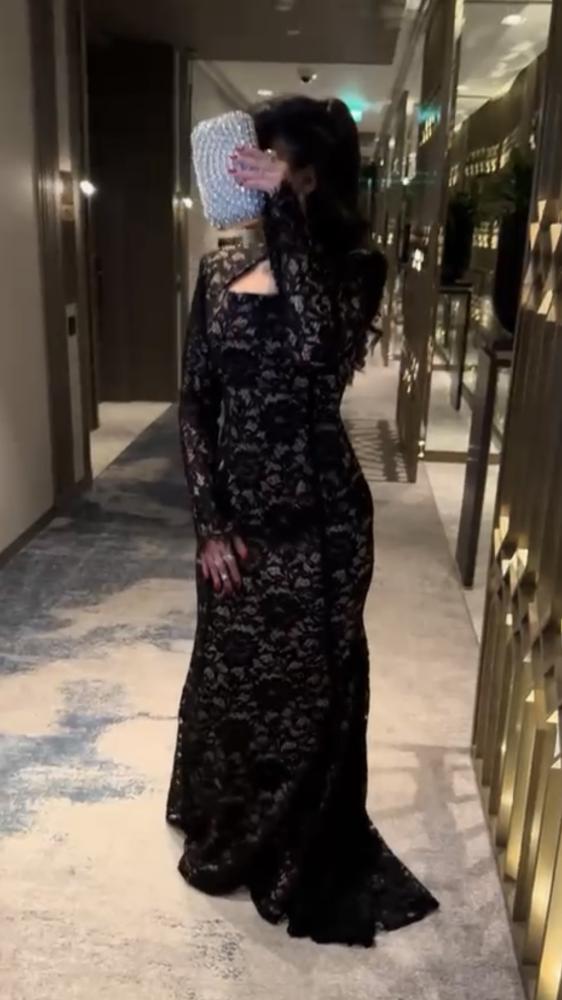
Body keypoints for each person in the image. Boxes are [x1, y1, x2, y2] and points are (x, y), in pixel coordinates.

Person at [167, 96, 438, 946]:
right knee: (231, 675)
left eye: (276, 165)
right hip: (240, 518)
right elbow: (195, 401)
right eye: (255, 164)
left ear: (314, 177)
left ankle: (293, 843)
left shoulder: (357, 269)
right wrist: (210, 522)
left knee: (308, 691)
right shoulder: (220, 271)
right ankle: (229, 816)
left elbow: (318, 346)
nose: (258, 178)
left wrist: (284, 218)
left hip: (322, 527)